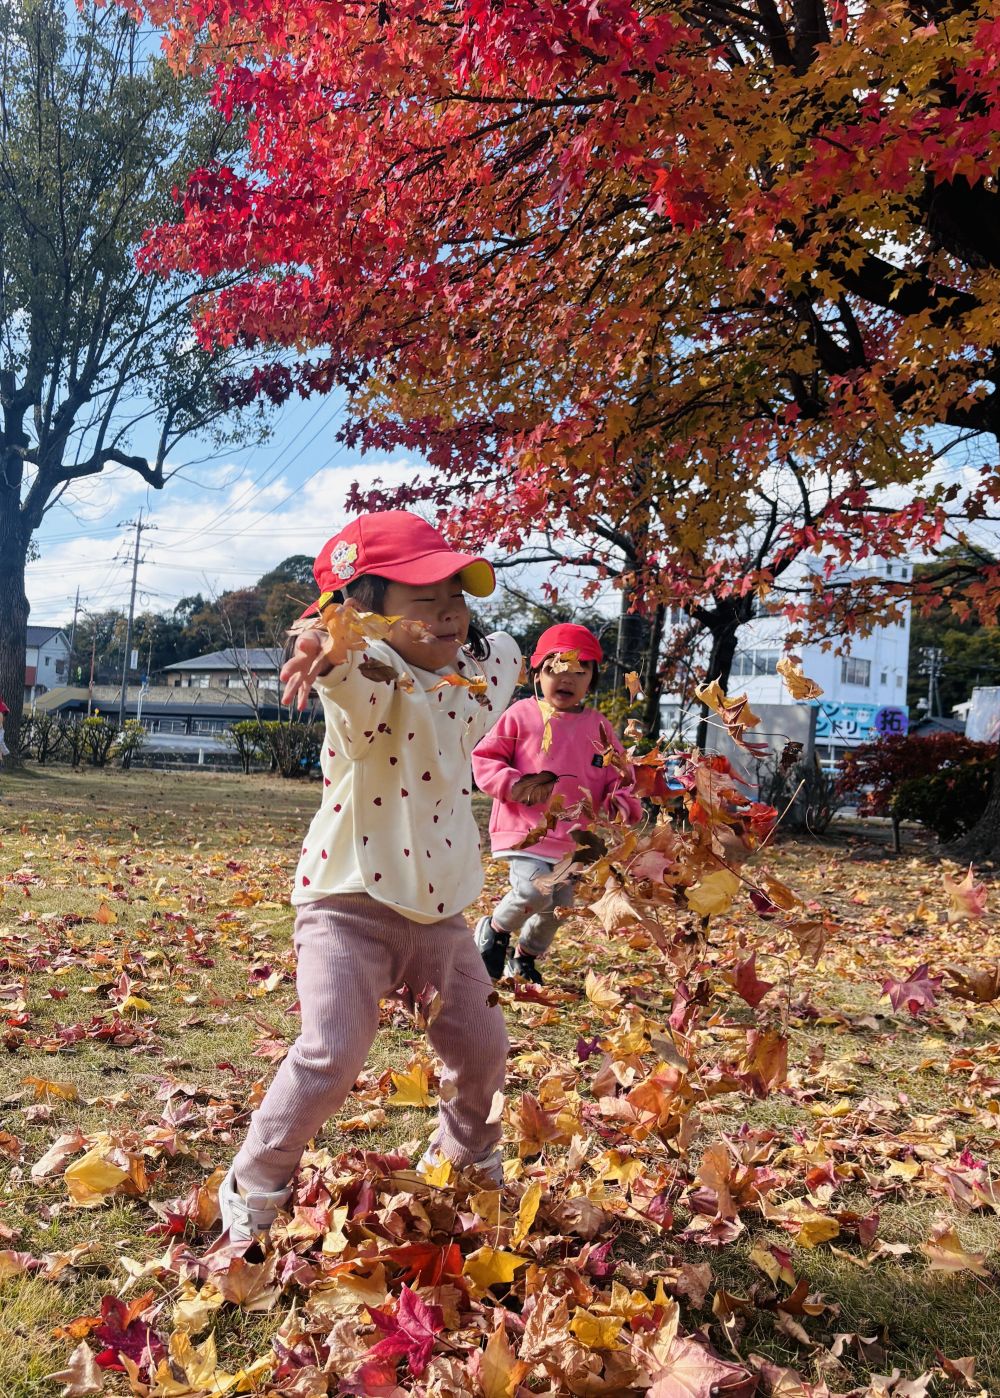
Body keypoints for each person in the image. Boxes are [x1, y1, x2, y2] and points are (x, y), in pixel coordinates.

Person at [219, 510, 522, 1243]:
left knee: (483, 1049)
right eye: (424, 598)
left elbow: (506, 647)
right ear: (367, 617)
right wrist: (327, 646)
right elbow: (347, 673)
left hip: (442, 911)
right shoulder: (366, 684)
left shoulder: (481, 673)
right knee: (332, 1052)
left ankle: (466, 1152)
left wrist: (432, 631)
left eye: (457, 593)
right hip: (347, 905)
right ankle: (257, 1179)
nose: (450, 610)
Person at [471, 623, 643, 984]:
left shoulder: (599, 728)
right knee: (534, 891)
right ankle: (495, 930)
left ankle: (525, 957)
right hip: (525, 831)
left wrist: (622, 800)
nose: (567, 679)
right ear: (537, 672)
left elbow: (619, 777)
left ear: (592, 680)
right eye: (555, 670)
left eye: (579, 672)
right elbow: (484, 759)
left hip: (573, 839)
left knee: (559, 908)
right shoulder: (522, 714)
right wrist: (515, 784)